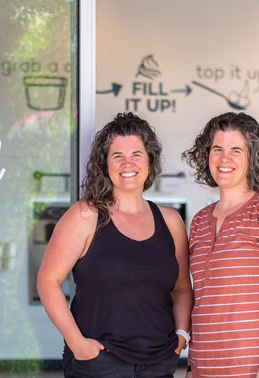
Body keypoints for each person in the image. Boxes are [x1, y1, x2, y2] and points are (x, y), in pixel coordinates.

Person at [37, 112, 193, 378]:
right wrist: (77, 344)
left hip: (159, 362)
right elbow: (47, 281)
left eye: (136, 154)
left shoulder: (171, 221)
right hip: (99, 363)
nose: (127, 163)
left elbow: (181, 289)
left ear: (149, 161)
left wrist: (181, 336)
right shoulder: (85, 215)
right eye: (117, 156)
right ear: (105, 164)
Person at [181, 112, 259, 378]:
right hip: (205, 368)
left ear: (252, 157)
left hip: (258, 368)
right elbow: (203, 300)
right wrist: (191, 365)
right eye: (217, 149)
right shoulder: (200, 221)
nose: (225, 159)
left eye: (236, 150)